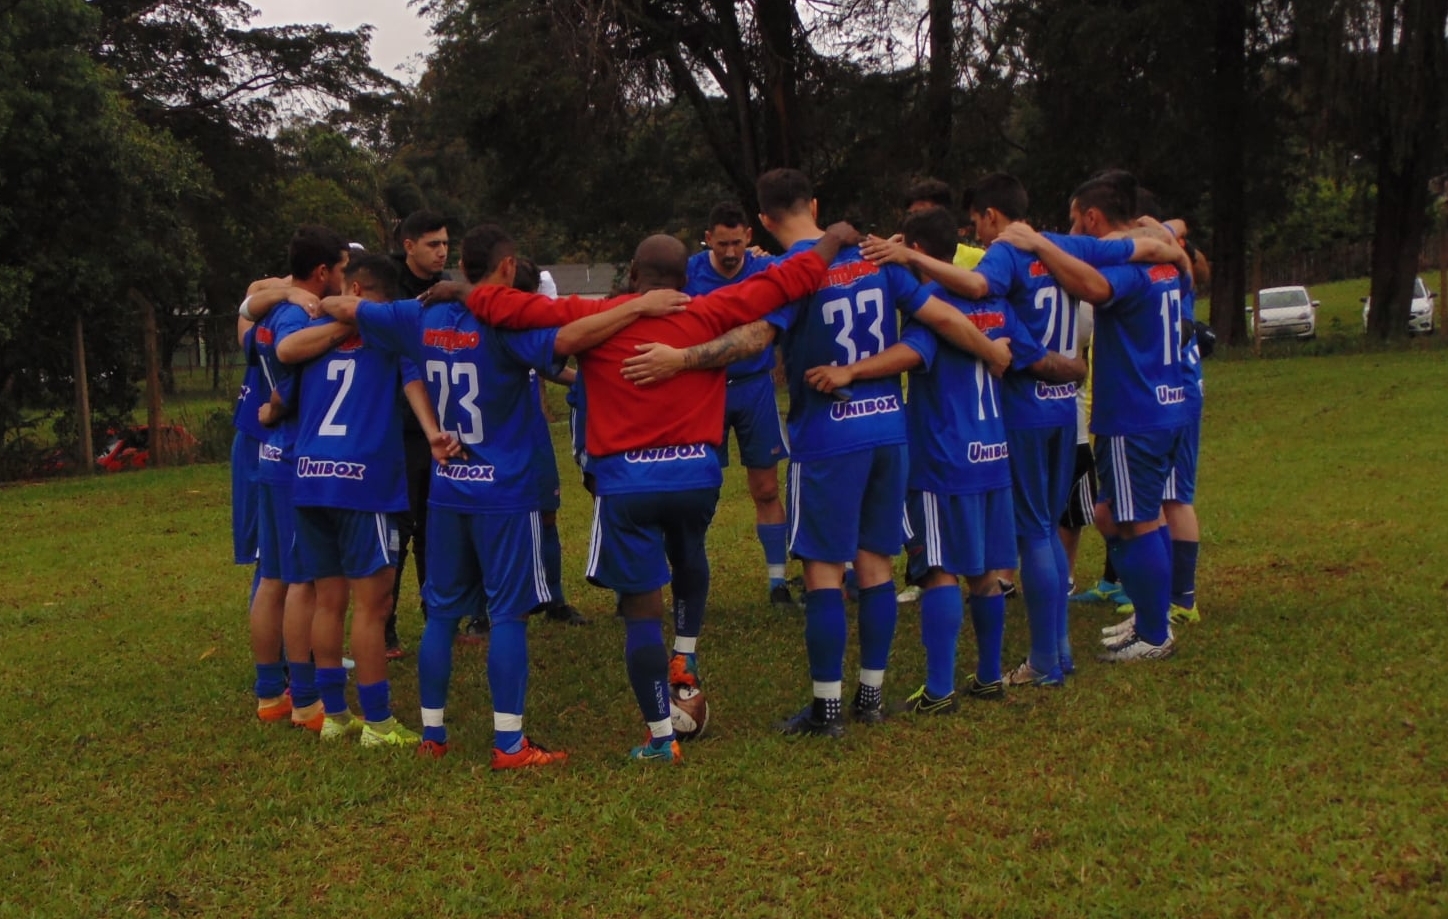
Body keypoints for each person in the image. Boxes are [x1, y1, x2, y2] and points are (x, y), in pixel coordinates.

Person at [454, 221, 865, 761]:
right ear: (686, 279)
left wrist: (461, 290)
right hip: (696, 475)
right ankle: (686, 653)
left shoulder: (593, 318)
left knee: (641, 607)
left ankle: (659, 737)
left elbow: (506, 308)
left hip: (628, 484)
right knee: (690, 551)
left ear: (630, 274)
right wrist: (832, 240)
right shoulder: (710, 311)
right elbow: (787, 281)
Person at [322, 226, 681, 766]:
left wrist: (306, 295)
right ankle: (509, 743)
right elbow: (567, 342)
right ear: (508, 269)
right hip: (506, 494)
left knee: (440, 616)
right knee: (508, 616)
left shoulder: (417, 315)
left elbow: (345, 310)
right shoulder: (505, 322)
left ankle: (433, 736)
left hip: (447, 490)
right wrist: (638, 308)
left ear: (459, 265)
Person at [862, 171, 1187, 685]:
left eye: (978, 223)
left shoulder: (1009, 252)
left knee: (1036, 531)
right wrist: (1174, 249)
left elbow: (975, 285)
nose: (979, 235)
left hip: (1024, 409)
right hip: (1065, 407)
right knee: (1047, 527)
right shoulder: (1054, 243)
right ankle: (1058, 652)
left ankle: (1044, 660)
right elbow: (1143, 246)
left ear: (992, 216)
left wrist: (907, 257)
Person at [802, 206, 1084, 711]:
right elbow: (1035, 359)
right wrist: (1075, 367)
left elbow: (913, 352)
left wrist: (852, 372)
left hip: (942, 453)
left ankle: (939, 688)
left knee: (938, 569)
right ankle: (990, 675)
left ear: (915, 248)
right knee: (988, 572)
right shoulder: (995, 303)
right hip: (995, 451)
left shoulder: (930, 301)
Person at [1066, 170, 1190, 662]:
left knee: (1134, 520)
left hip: (1132, 414)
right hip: (1165, 406)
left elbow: (1091, 284)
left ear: (1093, 218)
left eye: (1075, 223)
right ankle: (1148, 612)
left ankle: (1155, 634)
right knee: (1114, 514)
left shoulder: (1127, 270)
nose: (1073, 232)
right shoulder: (1165, 263)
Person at [682, 202, 794, 611]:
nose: (731, 252)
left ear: (749, 236)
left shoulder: (766, 268)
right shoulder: (688, 271)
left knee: (765, 486)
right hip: (704, 389)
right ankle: (692, 580)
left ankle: (777, 582)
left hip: (754, 387)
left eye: (737, 242)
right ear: (708, 238)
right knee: (697, 488)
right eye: (722, 243)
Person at [387, 209, 453, 659]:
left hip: (442, 424)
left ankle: (439, 618)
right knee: (400, 527)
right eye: (433, 244)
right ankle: (384, 626)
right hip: (401, 427)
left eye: (446, 243)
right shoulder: (388, 285)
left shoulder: (448, 288)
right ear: (409, 245)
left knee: (438, 527)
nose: (442, 252)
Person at [903, 178, 986, 269]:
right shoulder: (903, 258)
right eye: (911, 215)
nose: (914, 221)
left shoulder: (979, 258)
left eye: (921, 213)